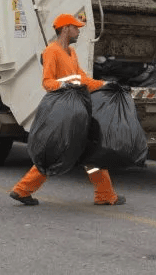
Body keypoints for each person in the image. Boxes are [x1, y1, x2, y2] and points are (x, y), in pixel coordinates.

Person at [10, 13, 126, 207]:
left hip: (77, 110)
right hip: (62, 110)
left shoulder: (72, 54)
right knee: (58, 151)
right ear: (65, 29)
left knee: (89, 150)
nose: (78, 32)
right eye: (76, 28)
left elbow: (82, 79)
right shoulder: (51, 52)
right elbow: (47, 82)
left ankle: (105, 194)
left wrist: (106, 84)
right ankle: (22, 190)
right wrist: (68, 84)